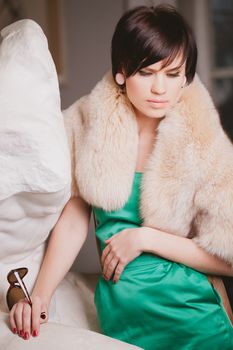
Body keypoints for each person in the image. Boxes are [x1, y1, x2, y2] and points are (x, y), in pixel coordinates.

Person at [9, 5, 233, 349]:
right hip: (125, 318)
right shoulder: (89, 124)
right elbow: (74, 219)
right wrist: (39, 296)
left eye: (173, 74)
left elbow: (227, 257)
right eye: (147, 71)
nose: (160, 88)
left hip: (193, 316)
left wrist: (145, 238)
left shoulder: (202, 141)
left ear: (186, 77)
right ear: (122, 71)